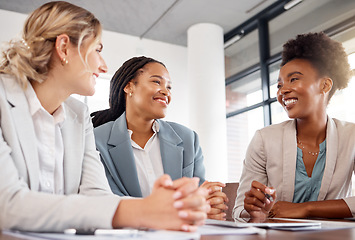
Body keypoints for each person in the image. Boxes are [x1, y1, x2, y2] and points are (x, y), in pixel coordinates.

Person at [0, 1, 210, 232]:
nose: (103, 66)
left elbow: (97, 195)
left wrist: (167, 207)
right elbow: (6, 204)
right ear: (63, 48)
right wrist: (144, 211)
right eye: (97, 50)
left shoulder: (78, 116)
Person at [233, 32, 355, 220]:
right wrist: (253, 210)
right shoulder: (264, 139)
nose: (283, 90)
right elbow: (240, 210)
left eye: (294, 79)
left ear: (325, 85)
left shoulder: (351, 136)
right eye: (279, 85)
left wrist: (306, 208)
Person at [91, 56, 228, 220]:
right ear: (129, 87)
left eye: (169, 87)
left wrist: (208, 204)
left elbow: (197, 196)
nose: (166, 91)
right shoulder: (96, 140)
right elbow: (104, 201)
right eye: (157, 82)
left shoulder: (188, 139)